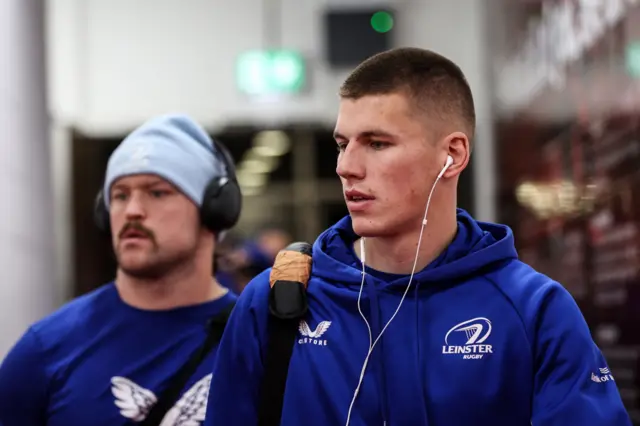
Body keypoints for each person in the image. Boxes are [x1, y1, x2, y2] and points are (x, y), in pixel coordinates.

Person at [204, 47, 632, 426]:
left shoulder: (533, 310)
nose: (346, 167)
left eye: (376, 143)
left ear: (453, 155)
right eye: (341, 144)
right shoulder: (275, 304)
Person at [0, 113, 242, 426]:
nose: (132, 211)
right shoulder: (47, 348)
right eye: (120, 195)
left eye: (157, 192)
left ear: (214, 211)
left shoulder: (254, 338)